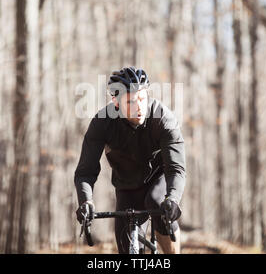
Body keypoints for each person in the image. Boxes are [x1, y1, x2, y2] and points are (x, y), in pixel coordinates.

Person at [74, 66, 186, 254]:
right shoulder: (102, 123)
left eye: (142, 99)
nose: (139, 107)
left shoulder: (163, 119)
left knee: (156, 201)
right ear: (115, 102)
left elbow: (176, 169)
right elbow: (85, 171)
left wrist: (173, 198)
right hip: (127, 186)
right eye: (130, 102)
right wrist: (86, 201)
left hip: (159, 179)